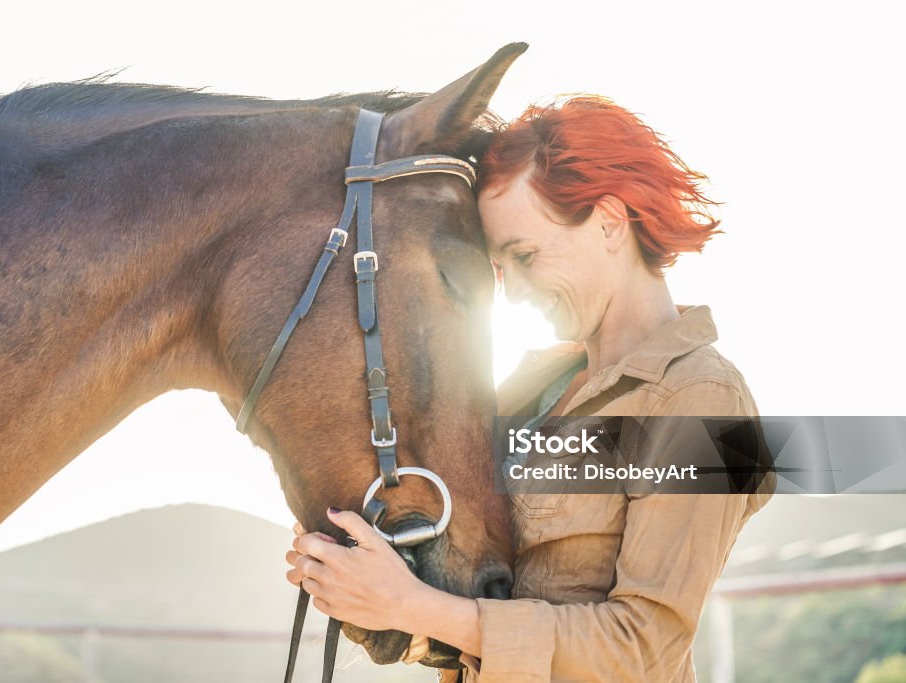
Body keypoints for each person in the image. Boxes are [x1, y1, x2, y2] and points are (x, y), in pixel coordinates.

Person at [285, 95, 773, 682]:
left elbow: (644, 651)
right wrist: (365, 589)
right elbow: (483, 618)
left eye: (525, 256)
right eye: (499, 269)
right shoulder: (530, 389)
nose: (511, 293)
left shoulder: (703, 400)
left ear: (610, 222)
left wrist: (414, 605)